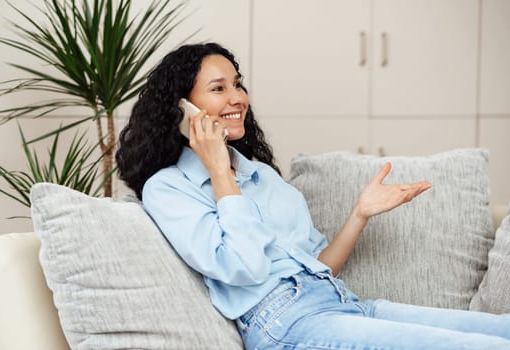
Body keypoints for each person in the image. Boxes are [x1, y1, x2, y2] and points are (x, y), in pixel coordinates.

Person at [116, 42, 510, 350]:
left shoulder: (262, 176)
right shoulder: (168, 187)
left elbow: (319, 265)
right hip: (283, 323)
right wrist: (219, 172)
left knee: (500, 331)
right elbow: (245, 267)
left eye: (237, 84)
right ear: (183, 109)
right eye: (218, 89)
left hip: (342, 303)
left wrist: (360, 213)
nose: (236, 98)